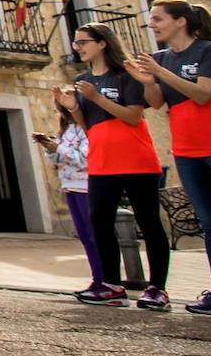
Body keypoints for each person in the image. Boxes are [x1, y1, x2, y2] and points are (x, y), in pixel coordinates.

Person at [127, 0, 211, 317]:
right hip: (188, 150)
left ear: (181, 21)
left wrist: (159, 73)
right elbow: (155, 103)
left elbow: (204, 93)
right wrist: (148, 81)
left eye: (157, 19)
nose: (151, 24)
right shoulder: (159, 59)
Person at [59, 22, 171, 310]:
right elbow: (89, 127)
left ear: (102, 43)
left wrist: (96, 98)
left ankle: (157, 288)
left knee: (149, 223)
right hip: (102, 160)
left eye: (83, 42)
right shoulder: (83, 79)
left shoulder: (126, 75)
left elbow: (133, 117)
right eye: (76, 43)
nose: (78, 47)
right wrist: (74, 107)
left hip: (135, 158)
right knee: (100, 222)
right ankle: (110, 285)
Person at [32, 98, 99, 296]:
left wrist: (58, 149)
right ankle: (97, 280)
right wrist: (49, 147)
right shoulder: (67, 130)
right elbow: (60, 158)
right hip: (70, 186)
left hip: (87, 186)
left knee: (95, 237)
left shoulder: (89, 130)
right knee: (86, 237)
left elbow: (85, 160)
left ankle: (105, 279)